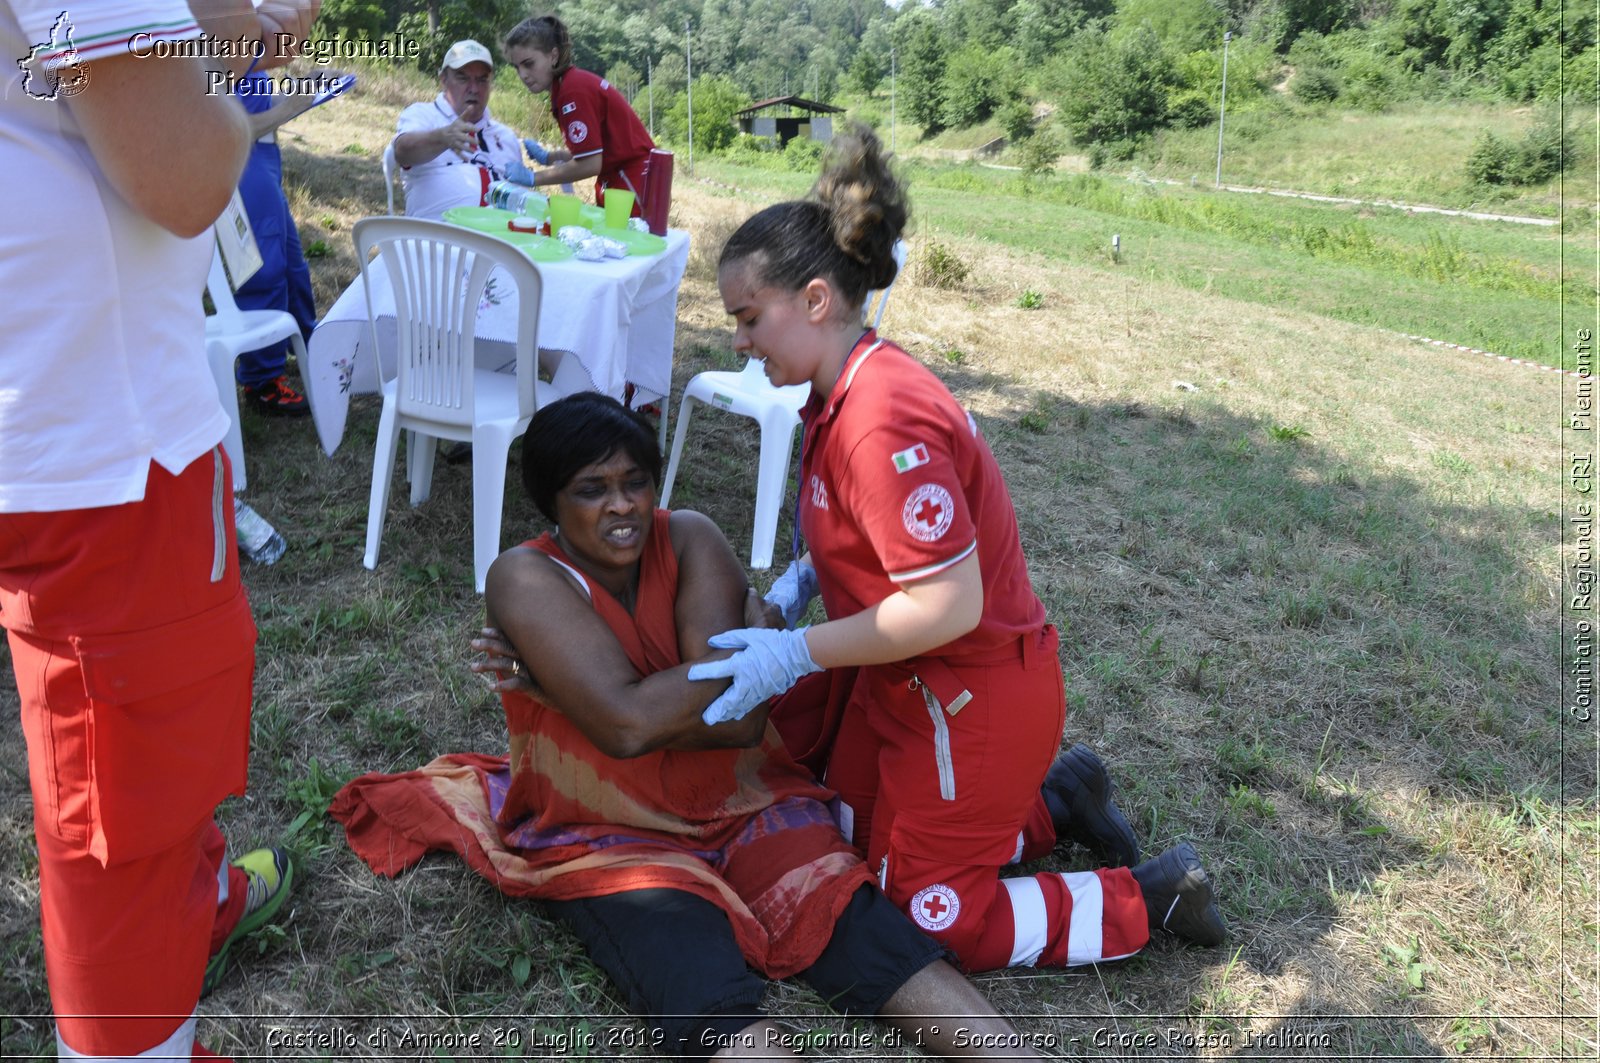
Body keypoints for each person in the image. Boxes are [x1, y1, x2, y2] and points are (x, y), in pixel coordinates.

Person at [332, 393, 1046, 1062]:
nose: (622, 506)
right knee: (697, 982)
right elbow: (627, 730)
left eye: (635, 481)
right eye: (591, 488)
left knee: (861, 926)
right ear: (550, 500)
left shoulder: (692, 536)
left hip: (741, 799)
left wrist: (575, 692)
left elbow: (733, 723)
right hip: (603, 829)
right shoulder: (522, 576)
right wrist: (737, 650)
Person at [682, 127, 1227, 974]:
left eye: (750, 319)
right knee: (854, 839)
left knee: (924, 919)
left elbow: (945, 604)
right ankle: (1055, 801)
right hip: (912, 685)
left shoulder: (879, 418)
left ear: (817, 299)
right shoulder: (843, 390)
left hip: (968, 696)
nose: (740, 342)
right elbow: (866, 538)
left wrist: (794, 651)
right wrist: (804, 582)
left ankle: (1149, 896)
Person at [0, 2, 315, 1060]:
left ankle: (201, 898)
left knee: (127, 769)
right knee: (123, 814)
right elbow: (183, 174)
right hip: (97, 430)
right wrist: (234, 72)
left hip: (54, 406)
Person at [229, 73, 324, 416]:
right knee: (263, 272)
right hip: (244, 161)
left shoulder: (248, 50)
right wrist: (293, 106)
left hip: (264, 158)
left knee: (293, 267)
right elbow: (232, 126)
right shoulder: (220, 40)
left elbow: (257, 101)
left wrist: (305, 91)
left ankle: (312, 348)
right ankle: (262, 382)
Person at [503, 14, 655, 216]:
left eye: (529, 63)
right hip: (618, 177)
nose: (522, 75)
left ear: (553, 56)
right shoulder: (568, 85)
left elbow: (591, 164)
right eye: (517, 67)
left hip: (630, 180)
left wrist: (534, 178)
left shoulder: (572, 92)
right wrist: (551, 157)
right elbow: (596, 151)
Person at [392, 39, 530, 221]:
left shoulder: (506, 137)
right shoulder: (423, 115)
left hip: (497, 243)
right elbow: (403, 152)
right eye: (463, 78)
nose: (474, 89)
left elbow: (523, 202)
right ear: (443, 79)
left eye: (482, 80)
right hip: (434, 241)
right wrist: (442, 137)